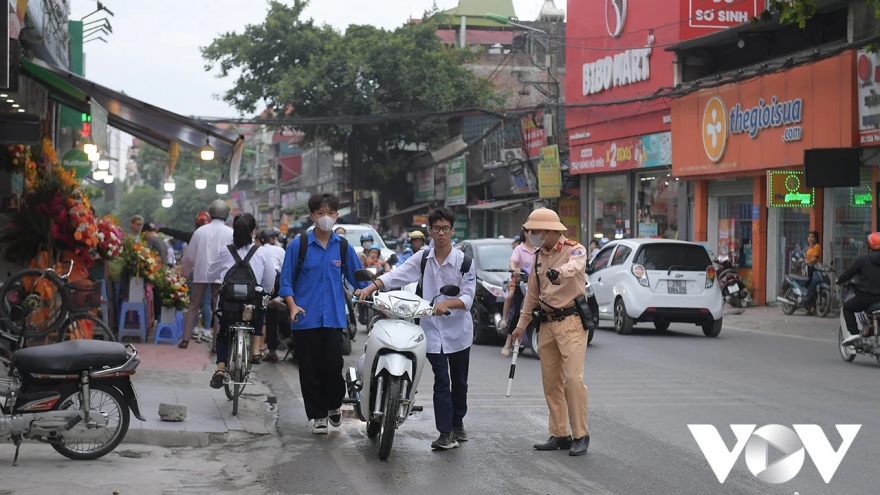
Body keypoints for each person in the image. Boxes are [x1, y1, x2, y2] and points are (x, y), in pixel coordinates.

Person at [357, 207, 477, 451]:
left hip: (458, 333)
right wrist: (370, 288)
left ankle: (457, 422)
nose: (441, 233)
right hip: (431, 331)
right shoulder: (422, 258)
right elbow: (397, 276)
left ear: (452, 231)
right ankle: (445, 433)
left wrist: (446, 304)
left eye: (445, 228)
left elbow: (467, 298)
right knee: (442, 380)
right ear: (429, 231)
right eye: (436, 229)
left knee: (460, 382)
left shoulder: (464, 262)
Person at [279, 193, 365, 434]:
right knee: (309, 369)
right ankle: (318, 415)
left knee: (332, 366)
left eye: (330, 213)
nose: (326, 217)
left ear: (337, 216)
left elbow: (356, 278)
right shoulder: (300, 245)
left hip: (334, 317)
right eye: (320, 213)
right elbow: (286, 281)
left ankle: (334, 405)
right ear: (312, 216)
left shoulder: (344, 246)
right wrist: (292, 305)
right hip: (304, 318)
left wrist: (369, 290)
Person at [510, 208, 590, 457]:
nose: (531, 235)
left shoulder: (574, 249)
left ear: (549, 231)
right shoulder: (537, 256)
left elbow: (575, 267)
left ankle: (580, 435)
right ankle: (559, 433)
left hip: (571, 321)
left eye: (535, 231)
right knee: (551, 382)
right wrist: (520, 326)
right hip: (546, 324)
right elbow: (532, 295)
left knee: (573, 380)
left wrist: (559, 273)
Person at [207, 213, 277, 388]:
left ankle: (221, 368)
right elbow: (269, 279)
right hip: (251, 306)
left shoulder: (226, 251)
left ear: (234, 230)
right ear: (254, 231)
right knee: (261, 308)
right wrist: (268, 290)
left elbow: (210, 274)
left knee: (223, 332)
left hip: (229, 305)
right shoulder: (261, 252)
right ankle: (255, 349)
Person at [179, 200, 234, 349]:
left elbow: (189, 255)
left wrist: (185, 271)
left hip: (201, 271)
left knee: (194, 305)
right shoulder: (230, 232)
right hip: (221, 273)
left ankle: (185, 339)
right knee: (218, 307)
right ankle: (216, 343)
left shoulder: (200, 231)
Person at [836, 232, 880, 345]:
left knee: (847, 308)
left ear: (870, 246)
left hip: (865, 298)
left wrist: (839, 280)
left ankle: (854, 333)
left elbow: (849, 273)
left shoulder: (863, 259)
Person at [499, 226, 536, 356]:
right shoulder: (519, 249)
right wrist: (514, 269)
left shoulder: (539, 249)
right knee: (516, 310)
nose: (534, 235)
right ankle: (507, 341)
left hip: (536, 284)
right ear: (525, 234)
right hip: (520, 282)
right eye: (532, 232)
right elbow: (512, 262)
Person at [258, 228, 290, 363]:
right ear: (271, 239)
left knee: (269, 317)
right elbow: (286, 269)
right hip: (277, 279)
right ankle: (289, 336)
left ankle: (272, 351)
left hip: (263, 281)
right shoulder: (280, 250)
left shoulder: (258, 250)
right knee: (287, 311)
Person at [799, 231, 822, 311]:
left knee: (812, 285)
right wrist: (803, 260)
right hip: (808, 269)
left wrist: (808, 261)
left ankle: (808, 300)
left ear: (815, 238)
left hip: (815, 269)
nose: (810, 239)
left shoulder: (817, 247)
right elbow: (808, 259)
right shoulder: (809, 248)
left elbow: (814, 258)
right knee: (807, 285)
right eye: (809, 237)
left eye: (812, 237)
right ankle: (808, 305)